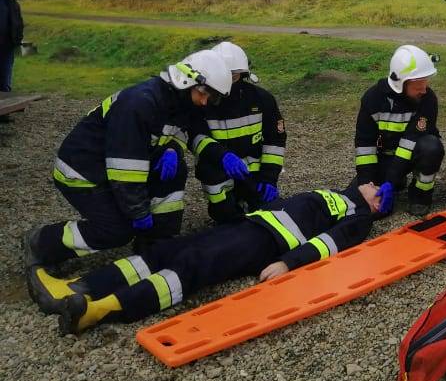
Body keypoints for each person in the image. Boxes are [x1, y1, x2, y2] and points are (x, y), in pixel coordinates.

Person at [26, 183, 386, 334]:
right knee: (165, 252)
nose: (372, 185)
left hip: (263, 245)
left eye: (376, 191)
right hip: (248, 227)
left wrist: (287, 264)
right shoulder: (339, 194)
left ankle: (98, 309)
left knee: (191, 266)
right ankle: (76, 287)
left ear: (375, 204)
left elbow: (327, 244)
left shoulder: (359, 217)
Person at [22, 50, 233, 268]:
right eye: (205, 94)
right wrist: (138, 212)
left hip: (115, 165)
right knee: (116, 231)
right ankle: (42, 242)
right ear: (187, 80)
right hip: (83, 173)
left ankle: (154, 245)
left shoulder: (181, 101)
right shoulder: (139, 103)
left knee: (174, 169)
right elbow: (124, 169)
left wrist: (172, 149)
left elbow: (180, 131)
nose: (207, 102)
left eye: (213, 97)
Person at [191, 42, 287, 222]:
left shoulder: (262, 99)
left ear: (243, 75)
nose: (228, 83)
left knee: (269, 217)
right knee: (227, 219)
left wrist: (269, 178)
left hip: (255, 176)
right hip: (218, 171)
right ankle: (225, 211)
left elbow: (275, 141)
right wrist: (222, 156)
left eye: (233, 77)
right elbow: (195, 137)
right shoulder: (203, 102)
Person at [352, 45, 444, 216]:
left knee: (432, 147)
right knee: (368, 206)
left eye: (426, 83)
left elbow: (409, 143)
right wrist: (366, 183)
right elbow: (365, 146)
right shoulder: (372, 99)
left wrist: (389, 181)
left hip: (413, 155)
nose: (424, 90)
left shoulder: (428, 99)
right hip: (384, 157)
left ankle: (420, 195)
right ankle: (397, 181)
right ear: (400, 84)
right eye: (418, 87)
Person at [0, 0, 24, 94]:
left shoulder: (11, 2)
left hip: (6, 46)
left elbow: (18, 23)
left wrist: (17, 39)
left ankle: (5, 109)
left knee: (5, 77)